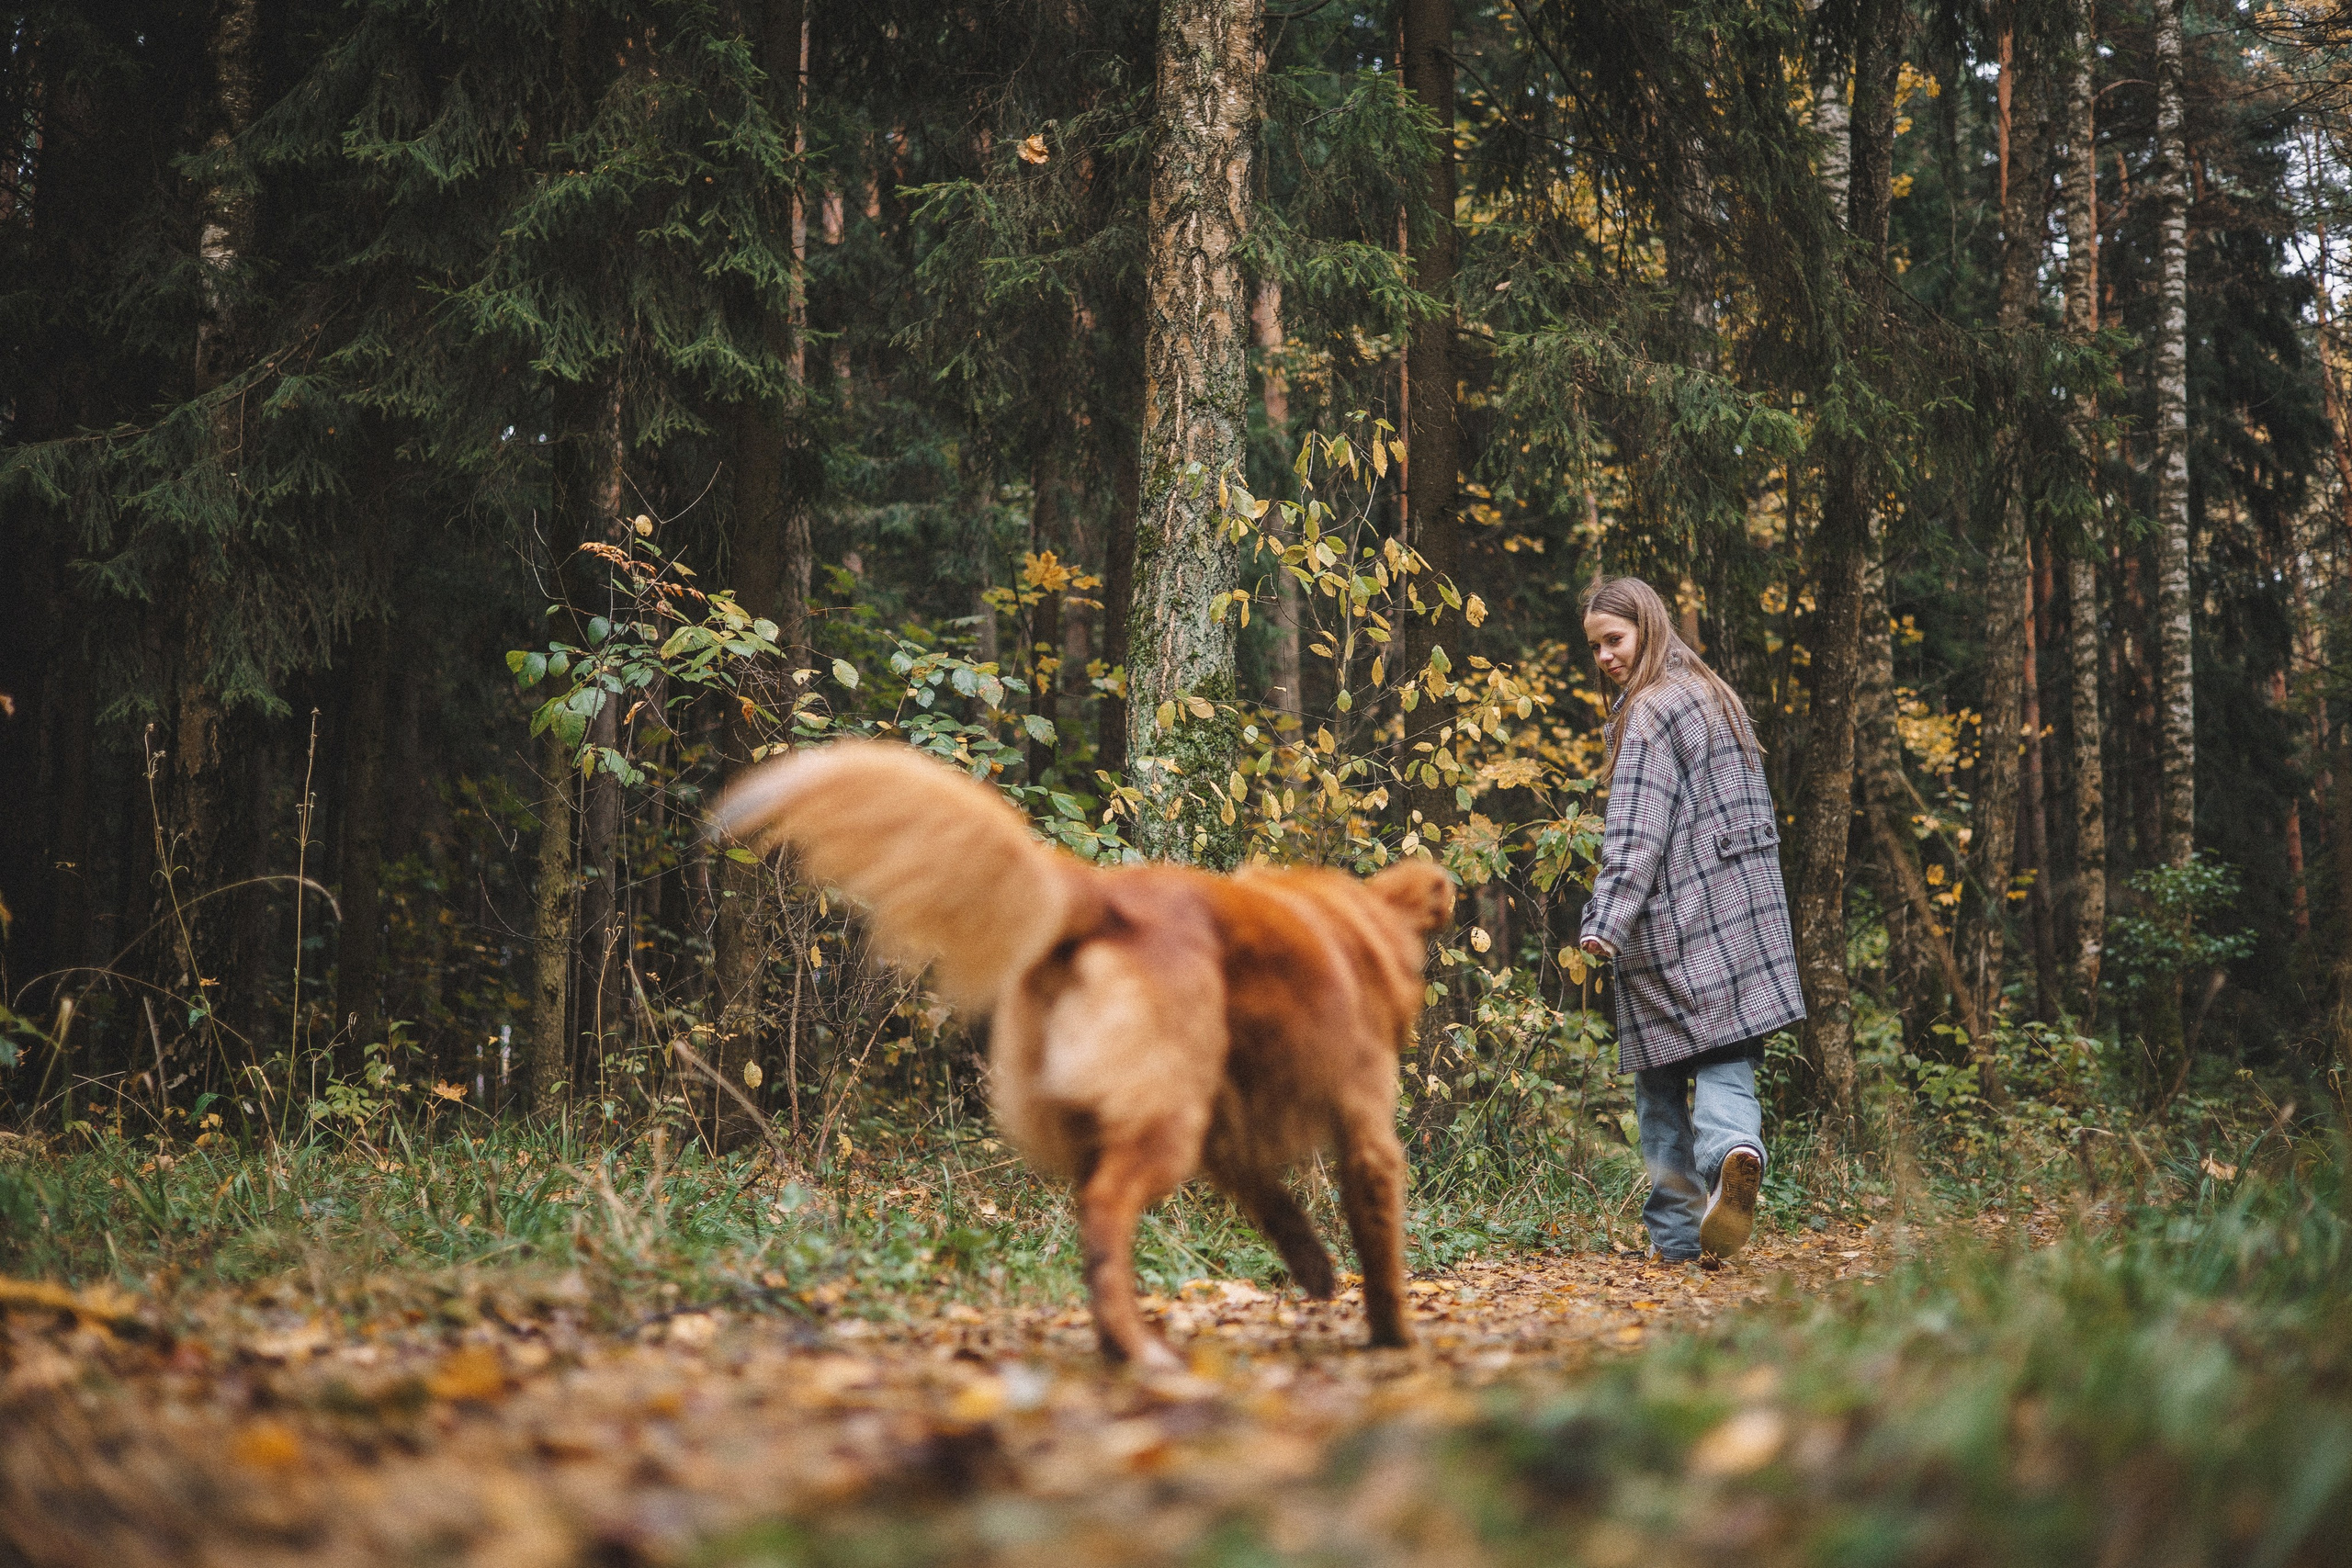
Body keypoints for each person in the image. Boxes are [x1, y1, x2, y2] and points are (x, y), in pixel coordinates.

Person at [1576, 575, 1804, 1262]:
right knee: (1728, 1061)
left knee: (1658, 1091)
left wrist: (1605, 920)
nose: (1605, 657)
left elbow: (1638, 835)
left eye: (1614, 640)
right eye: (1595, 647)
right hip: (1744, 921)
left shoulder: (1647, 713)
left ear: (1646, 626)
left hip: (1674, 927)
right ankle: (1737, 1155)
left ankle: (1676, 1239)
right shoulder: (1714, 695)